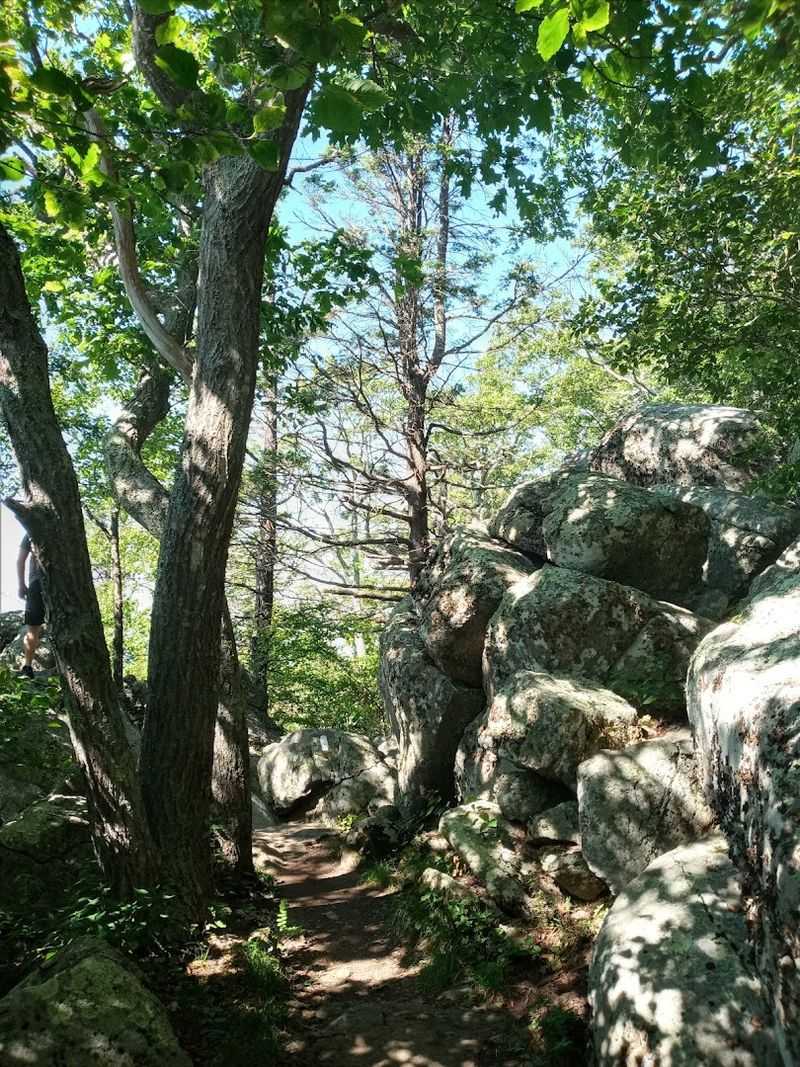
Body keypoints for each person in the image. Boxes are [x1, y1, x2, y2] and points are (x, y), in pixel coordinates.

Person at [17, 534, 45, 679]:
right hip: (62, 582)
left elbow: (20, 560)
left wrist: (21, 585)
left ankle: (27, 666)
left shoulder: (31, 530)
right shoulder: (63, 526)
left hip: (37, 583)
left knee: (33, 627)